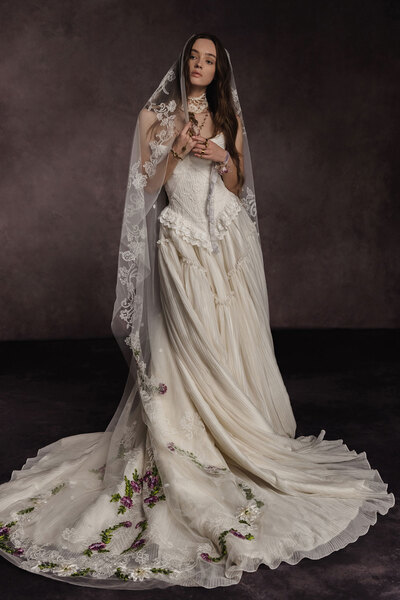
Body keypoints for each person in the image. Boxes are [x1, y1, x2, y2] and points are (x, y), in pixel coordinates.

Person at [0, 32, 395, 590]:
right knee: (184, 343)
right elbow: (145, 188)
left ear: (218, 70)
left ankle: (236, 429)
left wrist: (222, 156)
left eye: (210, 60)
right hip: (180, 243)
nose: (201, 65)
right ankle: (187, 437)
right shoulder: (152, 117)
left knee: (226, 338)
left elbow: (237, 182)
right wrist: (179, 151)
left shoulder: (228, 116)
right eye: (195, 57)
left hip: (224, 243)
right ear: (183, 62)